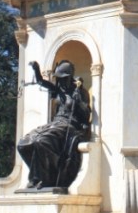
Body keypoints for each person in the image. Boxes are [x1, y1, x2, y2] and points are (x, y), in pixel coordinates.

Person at [17, 60, 91, 190]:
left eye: (63, 78)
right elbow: (41, 82)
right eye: (59, 78)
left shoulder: (79, 92)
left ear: (70, 77)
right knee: (23, 144)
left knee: (41, 142)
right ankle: (39, 174)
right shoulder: (58, 90)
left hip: (69, 125)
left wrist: (78, 99)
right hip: (55, 123)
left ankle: (43, 178)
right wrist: (36, 70)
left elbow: (86, 114)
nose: (60, 81)